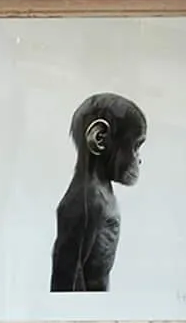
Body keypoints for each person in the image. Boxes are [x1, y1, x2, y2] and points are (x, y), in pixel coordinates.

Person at [51, 92, 146, 292]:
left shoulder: (99, 193)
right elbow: (66, 276)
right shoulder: (86, 200)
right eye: (135, 146)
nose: (139, 159)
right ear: (99, 139)